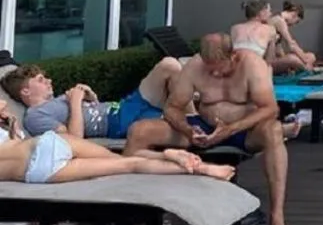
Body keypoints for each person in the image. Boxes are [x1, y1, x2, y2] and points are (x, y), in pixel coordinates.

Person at [128, 33, 295, 225]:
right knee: (139, 131)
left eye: (219, 67)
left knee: (274, 131)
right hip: (204, 126)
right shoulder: (195, 66)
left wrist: (231, 129)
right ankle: (127, 210)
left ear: (233, 56)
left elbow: (270, 108)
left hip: (244, 129)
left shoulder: (252, 65)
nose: (214, 73)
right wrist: (188, 130)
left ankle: (277, 216)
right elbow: (172, 108)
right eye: (209, 68)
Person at [2, 58, 187, 154]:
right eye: (41, 80)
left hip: (122, 108)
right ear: (25, 91)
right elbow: (73, 141)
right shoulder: (35, 116)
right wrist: (75, 102)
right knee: (170, 69)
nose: (49, 81)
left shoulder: (55, 102)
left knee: (170, 66)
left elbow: (93, 111)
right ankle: (195, 123)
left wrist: (90, 98)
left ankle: (195, 119)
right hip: (119, 122)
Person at [0, 130, 235, 185]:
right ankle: (167, 154)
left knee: (131, 165)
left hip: (37, 172)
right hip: (45, 144)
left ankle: (203, 169)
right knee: (125, 158)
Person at [267, 1, 319, 74]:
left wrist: (284, 58)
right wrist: (305, 60)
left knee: (311, 56)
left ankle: (299, 67)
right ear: (294, 14)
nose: (293, 25)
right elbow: (292, 45)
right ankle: (307, 69)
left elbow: (278, 49)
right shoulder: (280, 21)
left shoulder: (278, 19)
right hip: (266, 61)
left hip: (272, 57)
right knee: (293, 59)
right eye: (296, 22)